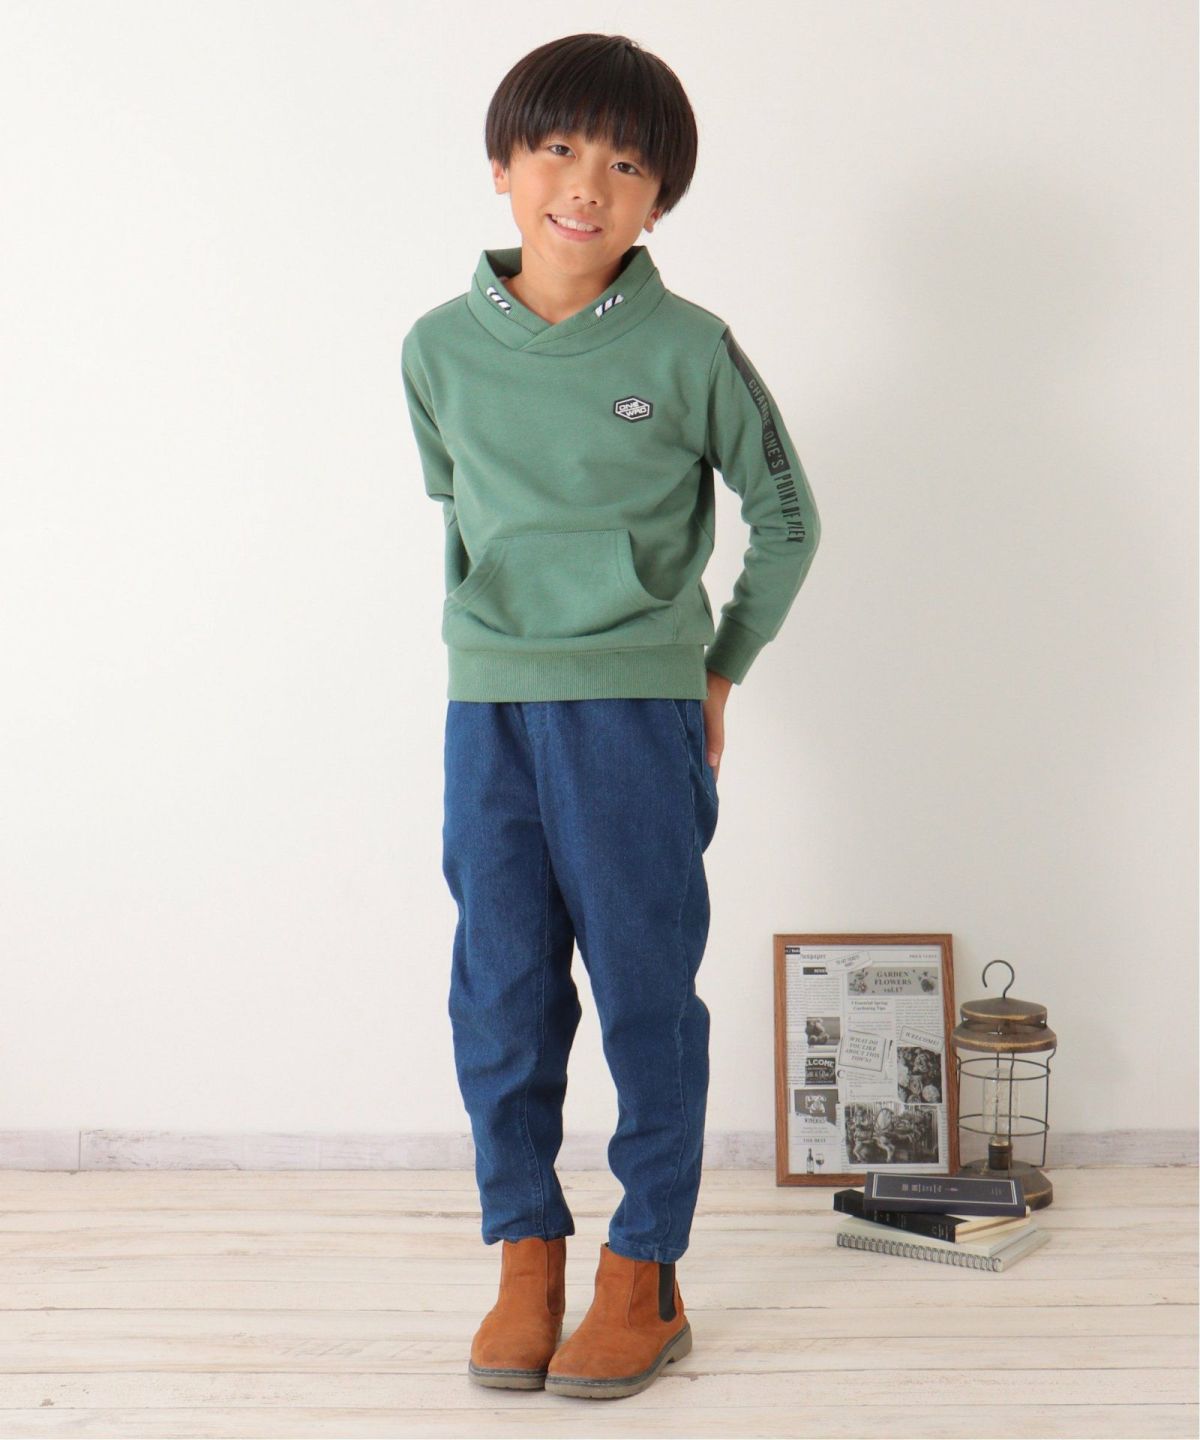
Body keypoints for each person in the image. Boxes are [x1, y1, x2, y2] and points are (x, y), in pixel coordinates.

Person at [401, 32, 822, 1402]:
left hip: (636, 714)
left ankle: (644, 1270)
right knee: (502, 990)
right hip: (490, 715)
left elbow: (789, 519)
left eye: (629, 165)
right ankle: (525, 1255)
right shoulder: (436, 349)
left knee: (645, 991)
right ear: (504, 165)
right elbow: (462, 512)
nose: (588, 183)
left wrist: (719, 668)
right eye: (560, 148)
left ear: (659, 202)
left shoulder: (690, 349)